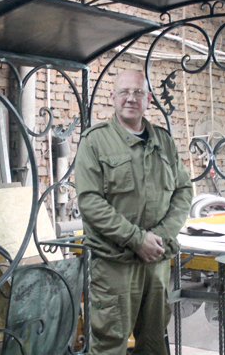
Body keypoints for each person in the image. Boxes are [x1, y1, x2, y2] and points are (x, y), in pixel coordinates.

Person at [74, 69, 192, 355]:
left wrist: (160, 236)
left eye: (138, 92)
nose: (131, 98)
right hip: (115, 264)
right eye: (124, 92)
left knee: (153, 343)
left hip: (156, 262)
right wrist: (137, 239)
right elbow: (90, 202)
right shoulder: (95, 141)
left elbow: (183, 191)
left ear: (148, 99)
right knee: (109, 344)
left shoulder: (163, 141)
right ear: (113, 97)